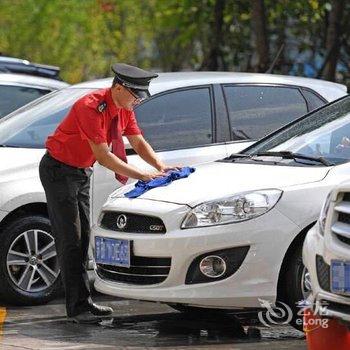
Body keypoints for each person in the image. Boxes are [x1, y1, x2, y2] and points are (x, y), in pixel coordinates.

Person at [39, 63, 179, 324]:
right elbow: (104, 156)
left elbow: (137, 141)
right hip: (59, 171)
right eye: (135, 94)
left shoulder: (124, 109)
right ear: (117, 88)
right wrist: (143, 175)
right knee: (71, 239)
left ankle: (83, 302)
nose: (138, 100)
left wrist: (159, 166)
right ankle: (78, 308)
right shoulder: (90, 107)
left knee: (83, 239)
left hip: (80, 172)